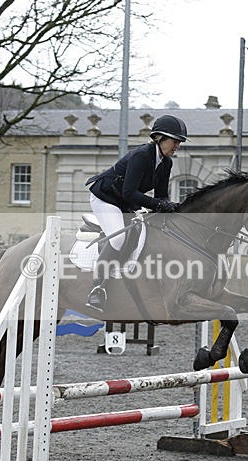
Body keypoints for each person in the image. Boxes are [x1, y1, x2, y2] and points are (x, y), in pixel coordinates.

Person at [83, 114, 188, 312]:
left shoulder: (166, 163)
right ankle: (97, 288)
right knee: (118, 239)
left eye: (179, 142)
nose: (177, 146)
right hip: (105, 197)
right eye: (175, 141)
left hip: (124, 203)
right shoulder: (141, 155)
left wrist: (172, 210)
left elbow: (161, 195)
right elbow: (129, 192)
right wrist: (158, 204)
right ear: (160, 138)